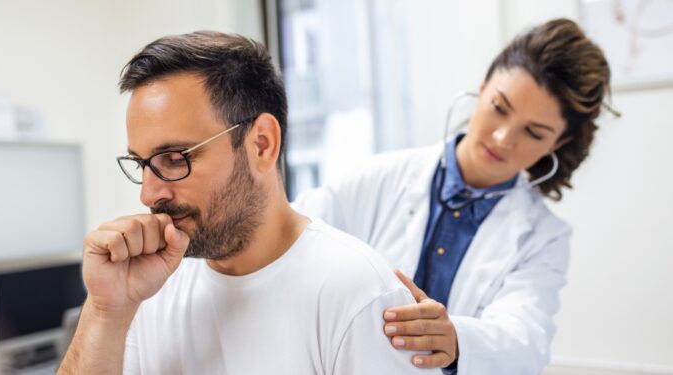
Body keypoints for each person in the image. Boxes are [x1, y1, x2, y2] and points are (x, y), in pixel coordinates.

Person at [57, 31, 439, 374]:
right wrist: (107, 311)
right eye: (143, 164)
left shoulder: (356, 292)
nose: (149, 194)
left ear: (261, 144)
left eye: (175, 158)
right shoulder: (149, 289)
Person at [294, 18, 613, 374]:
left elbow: (525, 339)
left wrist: (456, 338)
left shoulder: (543, 238)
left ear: (558, 143)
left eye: (534, 132)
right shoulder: (381, 176)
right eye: (499, 107)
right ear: (481, 88)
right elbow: (291, 232)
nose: (503, 138)